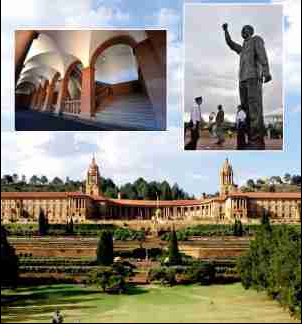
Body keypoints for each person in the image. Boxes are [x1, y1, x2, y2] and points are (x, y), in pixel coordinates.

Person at [222, 23, 272, 149]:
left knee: (255, 109)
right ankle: (250, 139)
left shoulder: (256, 40)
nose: (242, 32)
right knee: (245, 110)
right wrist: (226, 30)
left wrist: (266, 71)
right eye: (241, 30)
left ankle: (257, 141)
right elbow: (230, 43)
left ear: (250, 31)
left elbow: (262, 55)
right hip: (242, 80)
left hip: (253, 78)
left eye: (245, 30)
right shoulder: (242, 48)